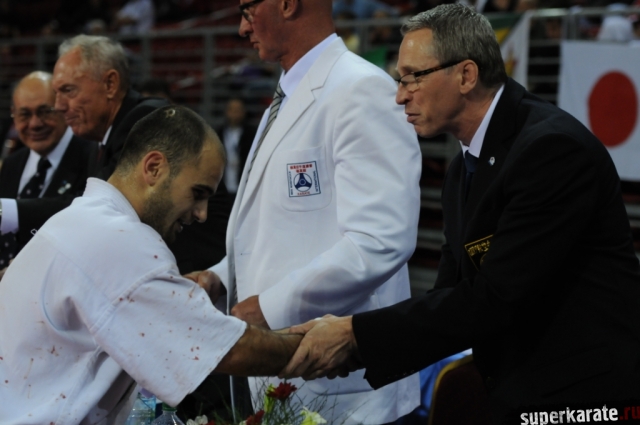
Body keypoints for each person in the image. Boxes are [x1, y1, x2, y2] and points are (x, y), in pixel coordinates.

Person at [281, 4, 640, 424]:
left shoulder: (551, 150)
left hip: (587, 399)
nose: (400, 95)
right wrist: (353, 346)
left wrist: (355, 335)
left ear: (466, 76)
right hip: (520, 393)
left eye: (413, 76)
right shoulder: (462, 169)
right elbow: (450, 298)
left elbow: (494, 299)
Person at [0, 105, 303, 425]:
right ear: (154, 167)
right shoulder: (120, 240)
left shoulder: (81, 220)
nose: (201, 214)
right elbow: (224, 350)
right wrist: (312, 343)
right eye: (198, 193)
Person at [199, 0, 422, 422]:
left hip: (348, 390)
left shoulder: (360, 89)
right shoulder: (286, 95)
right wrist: (220, 276)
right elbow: (277, 230)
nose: (242, 28)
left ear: (287, 4)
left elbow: (380, 240)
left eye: (247, 9)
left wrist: (269, 308)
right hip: (284, 374)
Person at [0, 72, 92, 268]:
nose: (35, 123)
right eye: (24, 114)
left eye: (45, 112)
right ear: (13, 114)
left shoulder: (91, 157)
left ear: (62, 108)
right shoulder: (11, 164)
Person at [216, 97, 256, 195]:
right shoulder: (218, 134)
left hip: (244, 185)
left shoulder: (252, 135)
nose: (235, 113)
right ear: (226, 111)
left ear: (244, 112)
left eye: (238, 110)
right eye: (232, 110)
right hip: (223, 186)